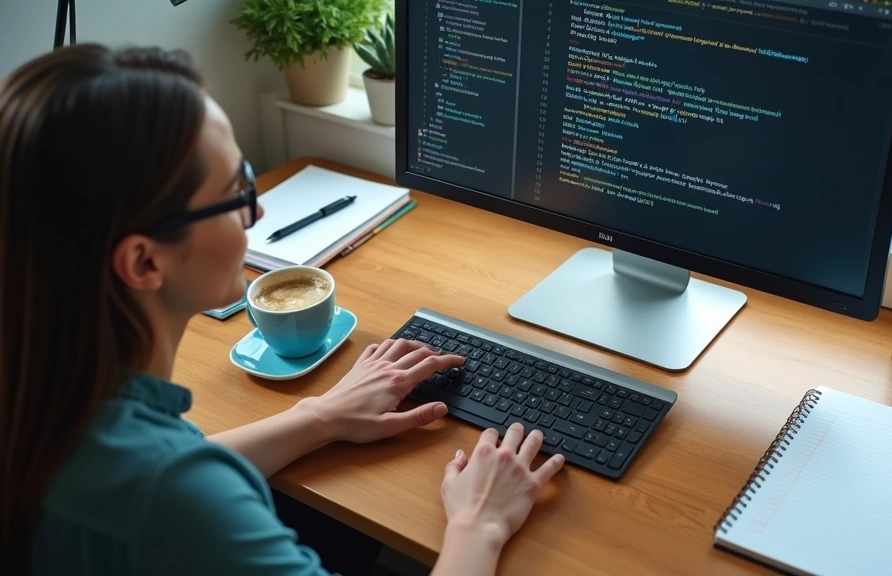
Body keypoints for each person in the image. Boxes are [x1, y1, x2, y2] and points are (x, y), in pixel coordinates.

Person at [0, 44, 565, 576]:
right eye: (236, 193)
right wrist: (479, 524)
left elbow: (153, 471)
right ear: (145, 263)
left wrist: (318, 417)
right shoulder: (171, 496)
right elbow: (166, 486)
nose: (259, 207)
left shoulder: (45, 397)